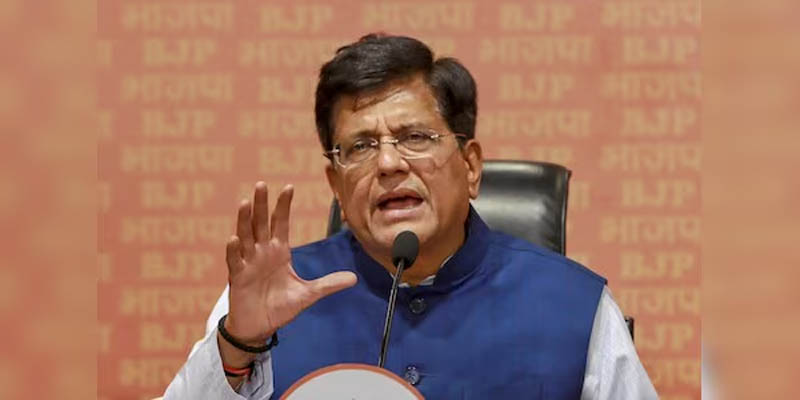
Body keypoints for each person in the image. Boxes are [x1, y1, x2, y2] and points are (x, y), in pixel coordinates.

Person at [163, 34, 657, 399]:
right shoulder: (270, 297)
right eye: (360, 146)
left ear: (470, 166)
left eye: (415, 137)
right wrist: (238, 347)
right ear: (335, 184)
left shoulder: (575, 307)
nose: (388, 163)